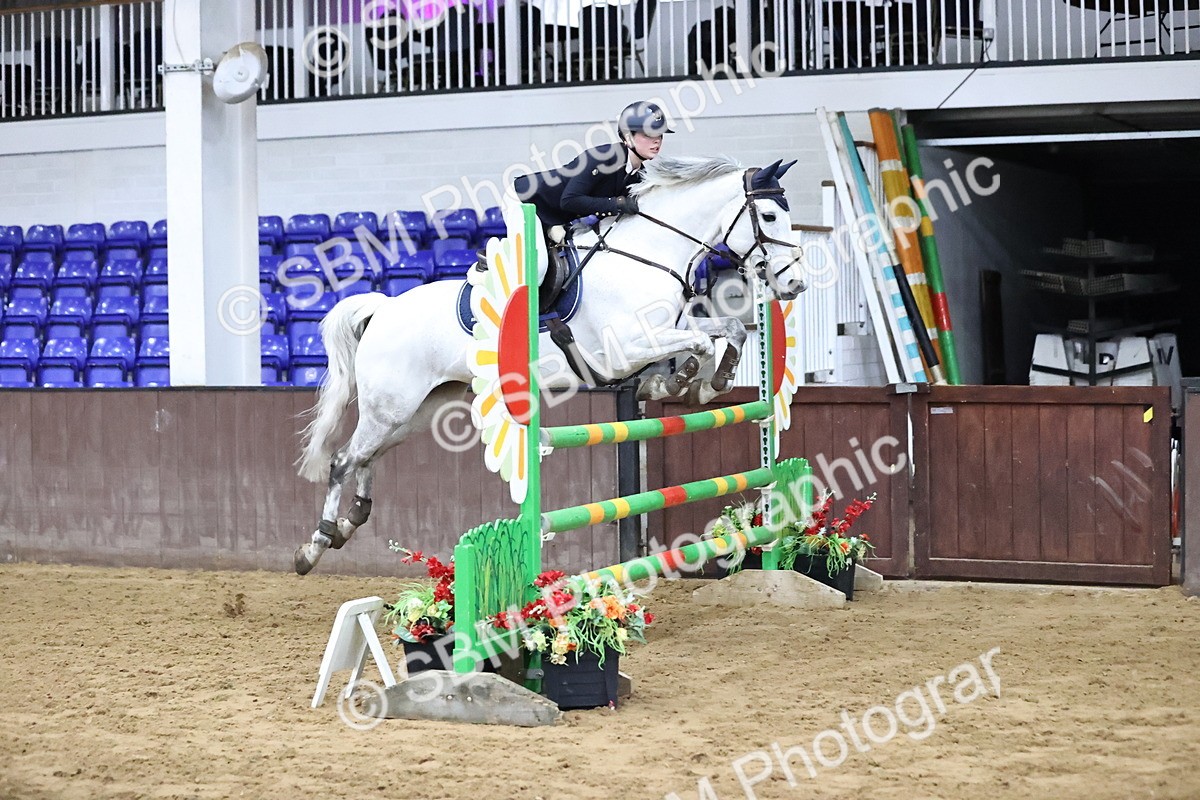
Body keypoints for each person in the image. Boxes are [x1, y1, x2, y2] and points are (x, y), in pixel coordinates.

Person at [512, 100, 674, 236]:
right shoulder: (603, 157)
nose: (657, 141)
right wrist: (618, 203)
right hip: (527, 201)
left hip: (557, 217)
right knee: (540, 265)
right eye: (648, 135)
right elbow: (570, 200)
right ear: (628, 137)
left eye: (659, 135)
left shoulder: (638, 176)